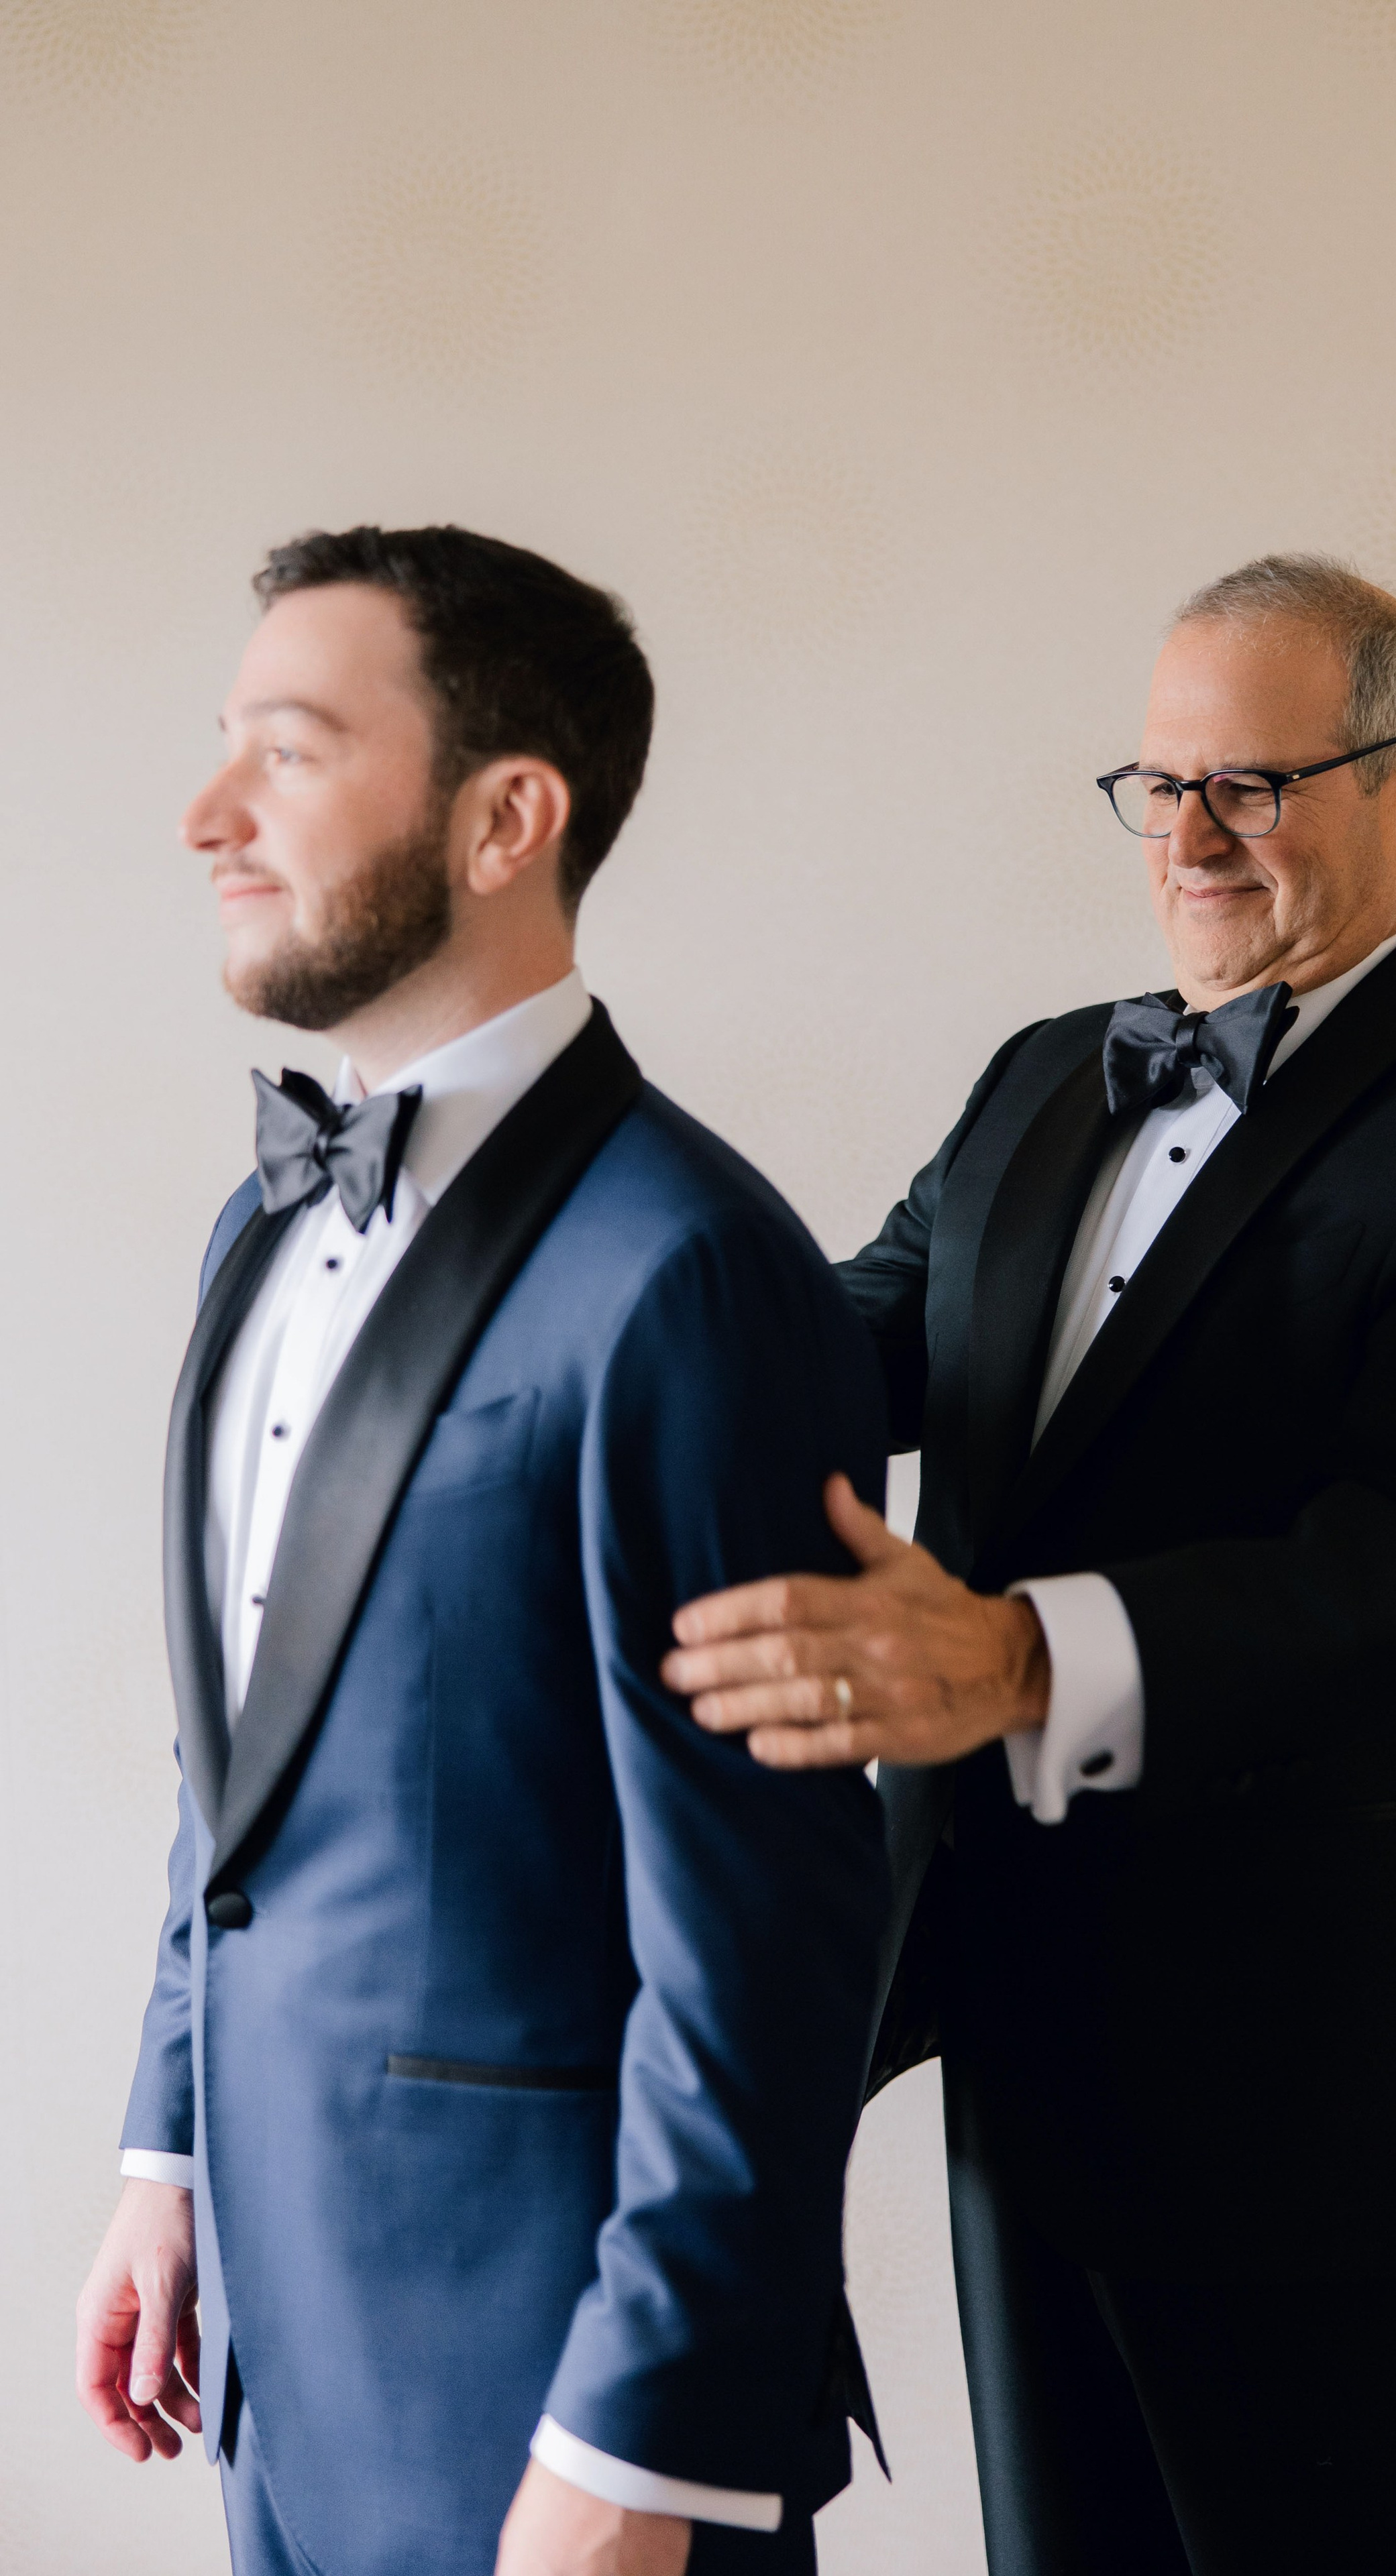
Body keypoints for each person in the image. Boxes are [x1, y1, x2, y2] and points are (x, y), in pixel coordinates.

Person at [661, 555, 1396, 2576]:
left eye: (1254, 787)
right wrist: (559, 1347)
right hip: (1020, 2008)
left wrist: (1021, 1659)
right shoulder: (1047, 1074)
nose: (1191, 838)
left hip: (1342, 2066)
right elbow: (832, 1351)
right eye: (1161, 784)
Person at [74, 524, 889, 2576]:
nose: (207, 816)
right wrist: (170, 2145)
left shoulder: (686, 1272)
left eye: (287, 750)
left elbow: (768, 1939)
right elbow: (239, 1775)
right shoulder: (258, 1227)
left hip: (546, 2399)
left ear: (506, 814)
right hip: (274, 2343)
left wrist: (646, 2448)